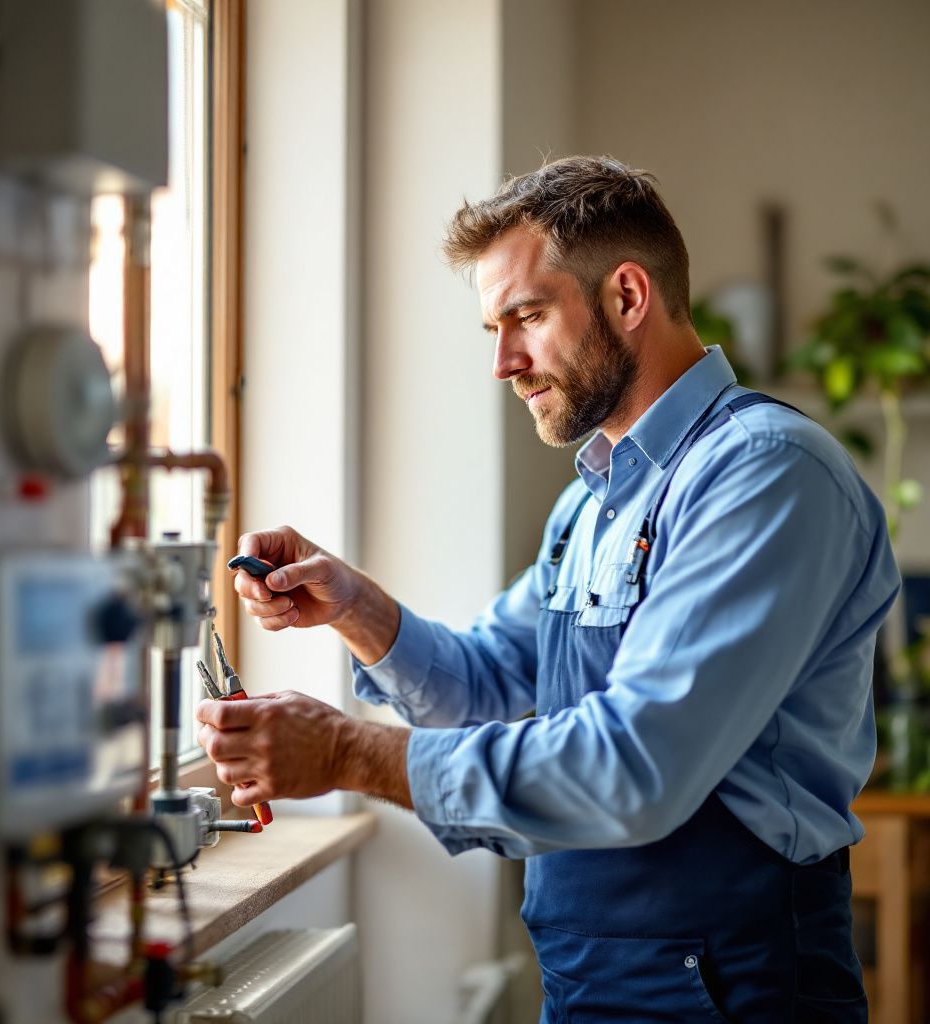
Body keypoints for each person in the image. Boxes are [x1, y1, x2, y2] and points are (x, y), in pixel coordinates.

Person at [196, 156, 899, 1022]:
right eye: (494, 327)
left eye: (525, 317)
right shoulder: (593, 501)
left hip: (733, 987)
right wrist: (356, 607)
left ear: (628, 297)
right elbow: (490, 683)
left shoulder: (764, 475)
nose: (503, 362)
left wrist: (346, 754)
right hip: (591, 977)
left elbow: (635, 766)